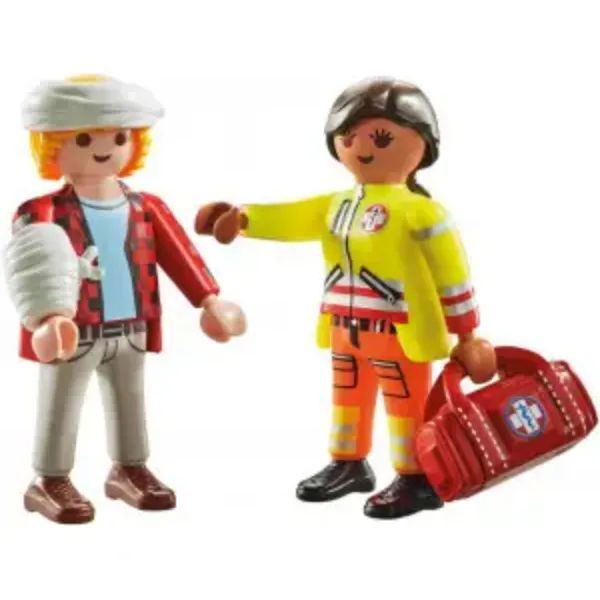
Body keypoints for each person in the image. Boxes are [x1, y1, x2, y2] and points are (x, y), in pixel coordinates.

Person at [195, 77, 495, 519]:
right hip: (344, 327)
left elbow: (453, 277)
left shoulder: (422, 212)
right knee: (347, 398)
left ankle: (416, 477)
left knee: (406, 406)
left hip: (399, 330)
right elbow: (290, 217)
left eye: (381, 138)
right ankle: (348, 463)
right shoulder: (335, 205)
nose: (361, 148)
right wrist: (242, 219)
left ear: (421, 144)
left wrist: (467, 334)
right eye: (349, 137)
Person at [4, 75, 246, 524]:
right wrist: (47, 318)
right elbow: (32, 264)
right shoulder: (42, 211)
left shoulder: (145, 206)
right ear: (51, 145)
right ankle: (49, 478)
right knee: (61, 404)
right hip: (73, 329)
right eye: (83, 139)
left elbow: (180, 255)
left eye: (119, 138)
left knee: (130, 401)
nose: (104, 148)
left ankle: (130, 469)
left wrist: (209, 301)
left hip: (132, 326)